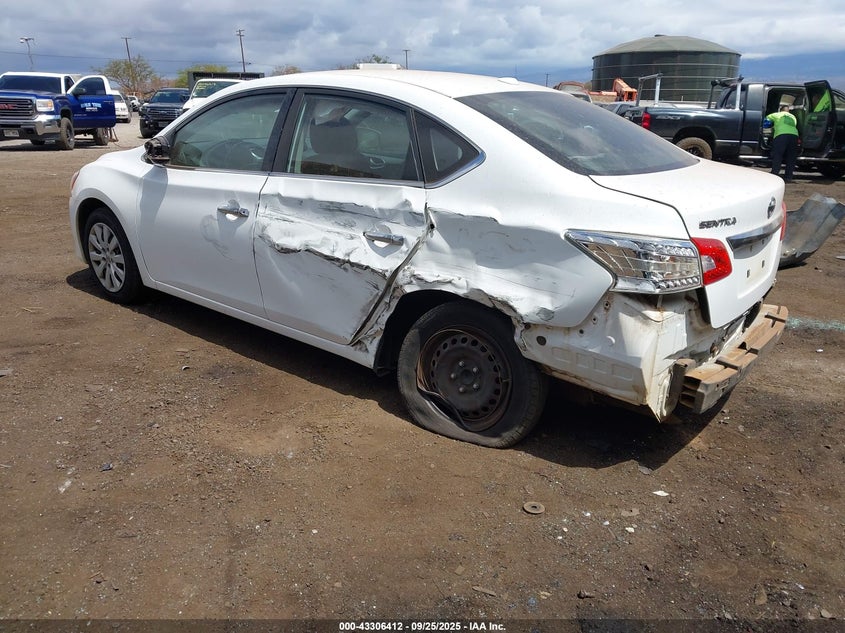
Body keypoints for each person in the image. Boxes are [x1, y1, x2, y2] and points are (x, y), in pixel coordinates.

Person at [765, 105, 799, 182]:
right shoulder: (793, 117)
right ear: (788, 111)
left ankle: (775, 174)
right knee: (791, 157)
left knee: (778, 155)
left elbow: (766, 121)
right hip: (794, 136)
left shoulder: (776, 114)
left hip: (781, 135)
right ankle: (788, 177)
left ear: (780, 110)